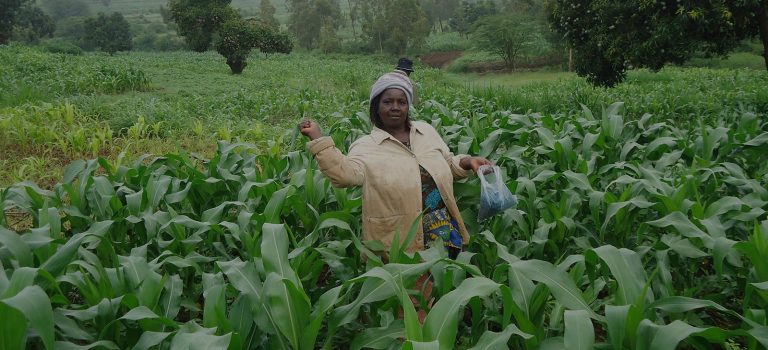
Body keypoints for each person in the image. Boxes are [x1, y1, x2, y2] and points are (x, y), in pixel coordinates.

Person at [299, 71, 492, 259]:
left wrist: (468, 162)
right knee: (416, 289)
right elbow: (344, 175)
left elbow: (447, 164)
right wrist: (319, 139)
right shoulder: (366, 146)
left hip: (444, 231)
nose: (395, 107)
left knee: (450, 285)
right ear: (376, 107)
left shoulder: (425, 131)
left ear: (408, 106)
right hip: (399, 243)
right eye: (387, 102)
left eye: (401, 102)